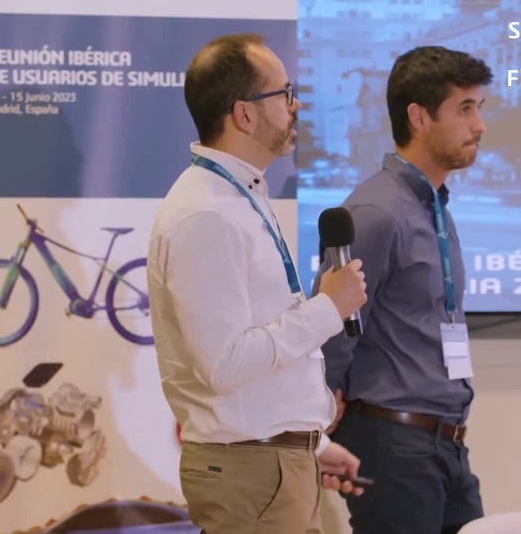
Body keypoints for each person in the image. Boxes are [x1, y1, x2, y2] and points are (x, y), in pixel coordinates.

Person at [147, 33, 369, 533]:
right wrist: (327, 309)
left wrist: (314, 444)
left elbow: (257, 358)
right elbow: (224, 364)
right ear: (244, 114)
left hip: (273, 464)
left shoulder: (237, 195)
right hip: (251, 471)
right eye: (285, 93)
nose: (296, 105)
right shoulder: (207, 213)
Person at [312, 45, 493, 534]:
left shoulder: (433, 208)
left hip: (445, 442)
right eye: (464, 109)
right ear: (419, 117)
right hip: (393, 444)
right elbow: (330, 326)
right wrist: (322, 417)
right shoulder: (376, 213)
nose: (479, 126)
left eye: (479, 108)